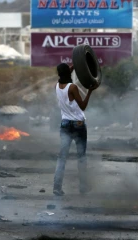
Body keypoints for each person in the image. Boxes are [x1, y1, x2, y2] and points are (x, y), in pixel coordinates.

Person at [53, 63, 98, 196]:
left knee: (62, 158)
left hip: (65, 124)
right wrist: (90, 91)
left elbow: (64, 75)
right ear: (68, 73)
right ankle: (83, 187)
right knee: (81, 157)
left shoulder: (57, 86)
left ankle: (57, 187)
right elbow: (83, 106)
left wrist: (75, 65)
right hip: (78, 124)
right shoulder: (73, 87)